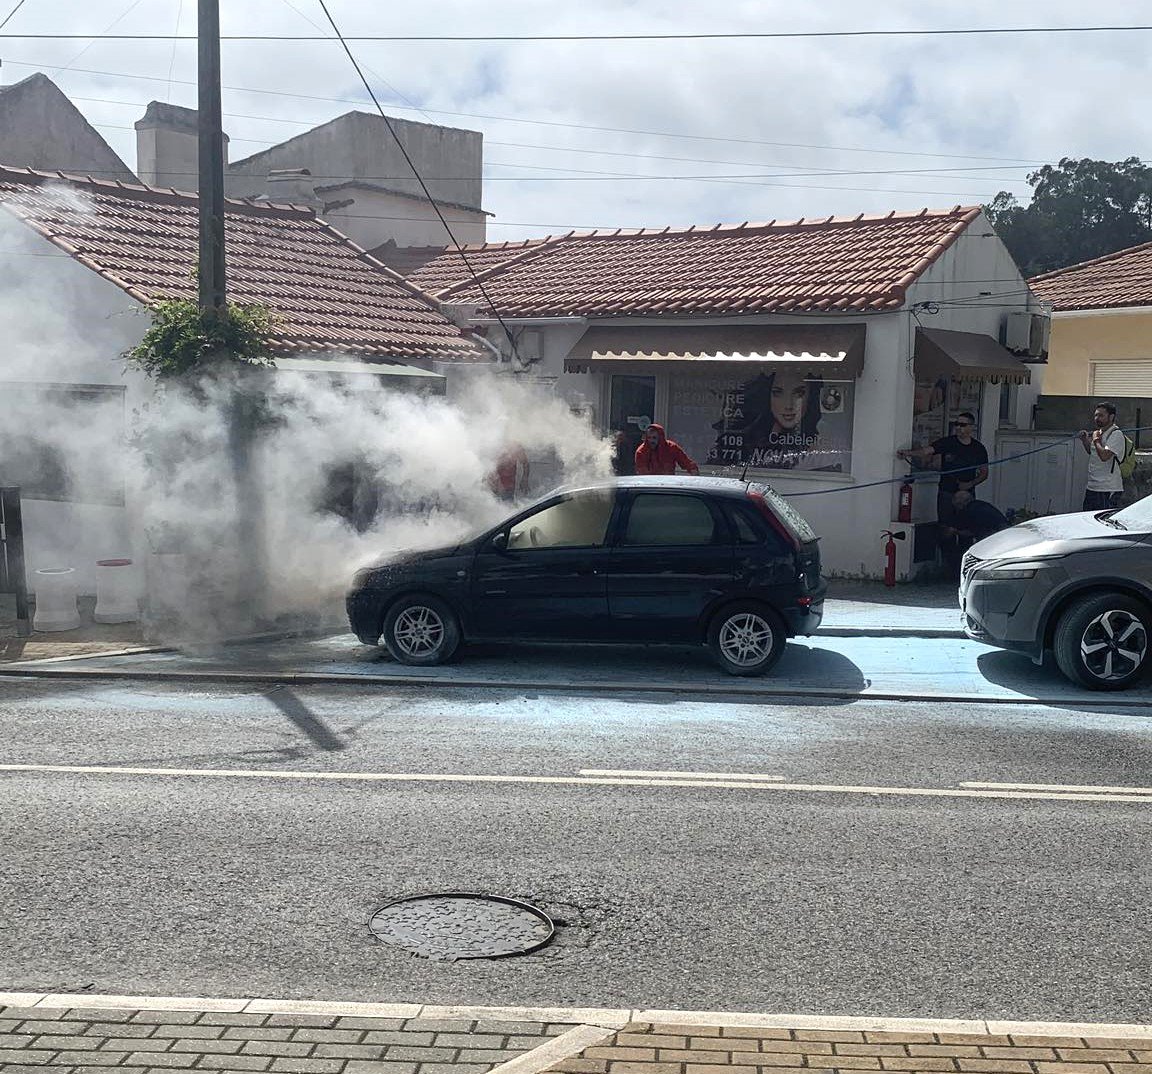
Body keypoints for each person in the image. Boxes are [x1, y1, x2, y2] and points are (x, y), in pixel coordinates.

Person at [898, 411, 989, 529]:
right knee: (945, 528)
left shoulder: (978, 448)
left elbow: (984, 473)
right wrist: (908, 453)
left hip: (966, 494)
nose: (958, 427)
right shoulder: (947, 442)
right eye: (956, 424)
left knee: (966, 528)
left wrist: (970, 484)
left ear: (971, 427)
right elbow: (926, 451)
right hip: (946, 492)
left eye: (962, 425)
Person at [940, 490, 1009, 580]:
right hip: (1004, 532)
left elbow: (971, 532)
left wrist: (954, 531)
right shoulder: (982, 505)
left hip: (992, 535)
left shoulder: (970, 511)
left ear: (960, 504)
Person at [1079, 401, 1126, 511]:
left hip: (1107, 488)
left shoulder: (1116, 434)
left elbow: (1104, 456)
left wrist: (1096, 440)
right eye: (1096, 415)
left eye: (1101, 415)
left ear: (1111, 417)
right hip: (1092, 486)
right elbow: (1093, 453)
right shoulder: (1100, 433)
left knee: (1102, 522)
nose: (1097, 418)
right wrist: (1085, 440)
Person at [634, 423, 699, 476]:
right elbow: (642, 473)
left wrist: (693, 470)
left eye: (654, 438)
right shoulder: (641, 451)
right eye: (649, 437)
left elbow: (685, 462)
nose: (651, 441)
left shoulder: (671, 448)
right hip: (650, 486)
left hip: (668, 485)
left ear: (660, 437)